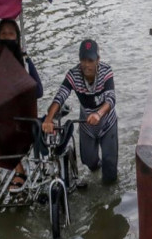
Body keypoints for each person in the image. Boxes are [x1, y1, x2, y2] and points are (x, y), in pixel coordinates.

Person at [43, 40, 118, 184]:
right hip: (86, 123)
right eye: (83, 60)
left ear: (98, 60)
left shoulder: (106, 71)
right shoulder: (73, 74)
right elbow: (60, 97)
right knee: (89, 161)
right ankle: (96, 166)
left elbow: (111, 99)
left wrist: (98, 114)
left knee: (110, 170)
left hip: (107, 122)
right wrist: (48, 119)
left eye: (90, 60)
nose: (86, 65)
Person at [0, 19, 44, 193]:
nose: (7, 37)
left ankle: (20, 171)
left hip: (22, 116)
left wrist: (20, 86)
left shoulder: (25, 62)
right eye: (3, 34)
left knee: (6, 124)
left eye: (11, 34)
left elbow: (39, 91)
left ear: (17, 38)